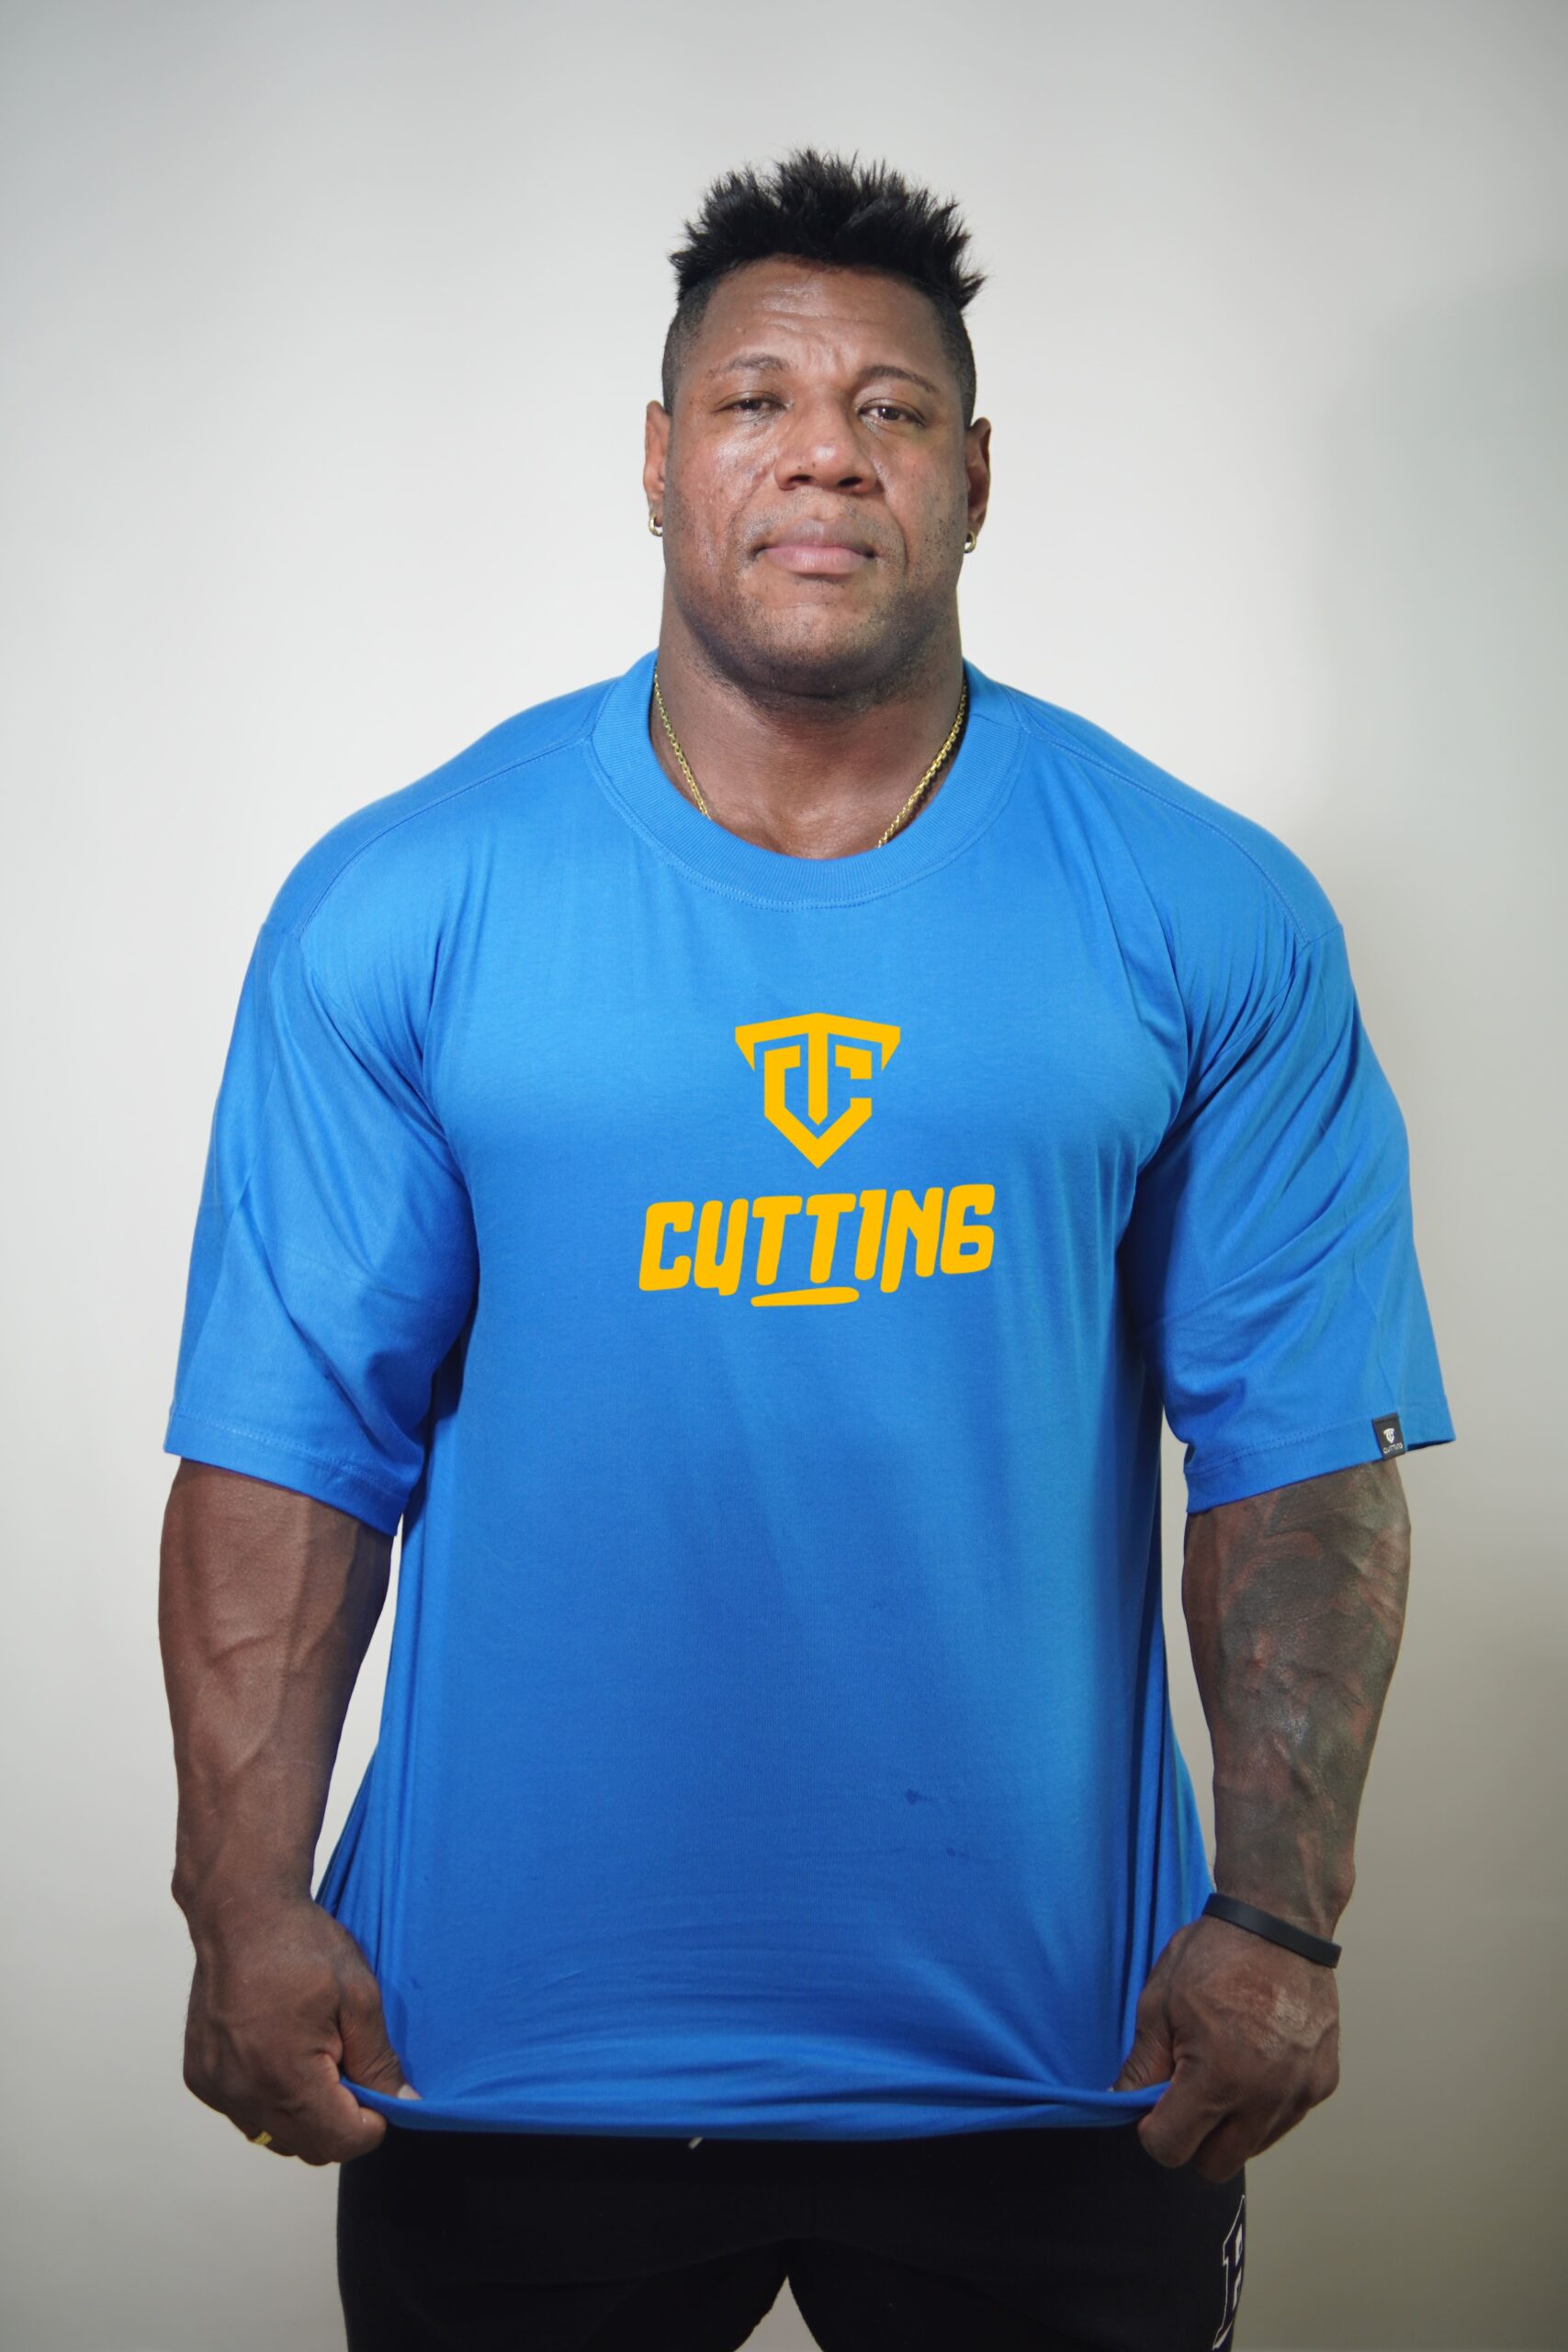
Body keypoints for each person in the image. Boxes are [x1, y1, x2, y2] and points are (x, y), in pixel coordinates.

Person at [158, 147, 1455, 2352]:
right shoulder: (406, 899)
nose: (823, 452)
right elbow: (291, 1445)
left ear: (974, 475)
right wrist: (241, 1899)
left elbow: (1299, 1449)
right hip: (505, 2048)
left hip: (1062, 2057)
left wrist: (1279, 1919)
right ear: (659, 459)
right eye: (753, 399)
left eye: (890, 407)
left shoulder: (1200, 906)